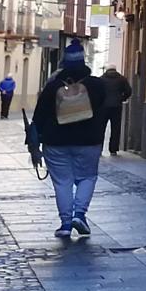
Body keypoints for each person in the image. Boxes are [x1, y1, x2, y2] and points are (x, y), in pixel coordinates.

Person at [33, 40, 110, 241]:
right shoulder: (96, 85)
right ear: (83, 61)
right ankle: (80, 215)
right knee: (87, 177)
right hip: (88, 141)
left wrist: (34, 142)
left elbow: (39, 115)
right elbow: (104, 111)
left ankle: (66, 224)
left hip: (55, 142)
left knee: (62, 182)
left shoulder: (53, 86)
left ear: (64, 62)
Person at [100, 65, 134, 156]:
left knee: (101, 128)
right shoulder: (121, 79)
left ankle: (99, 149)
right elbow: (128, 91)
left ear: (107, 70)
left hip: (104, 107)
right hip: (117, 106)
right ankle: (113, 150)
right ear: (115, 69)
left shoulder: (101, 79)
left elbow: (97, 92)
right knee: (116, 128)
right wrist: (122, 98)